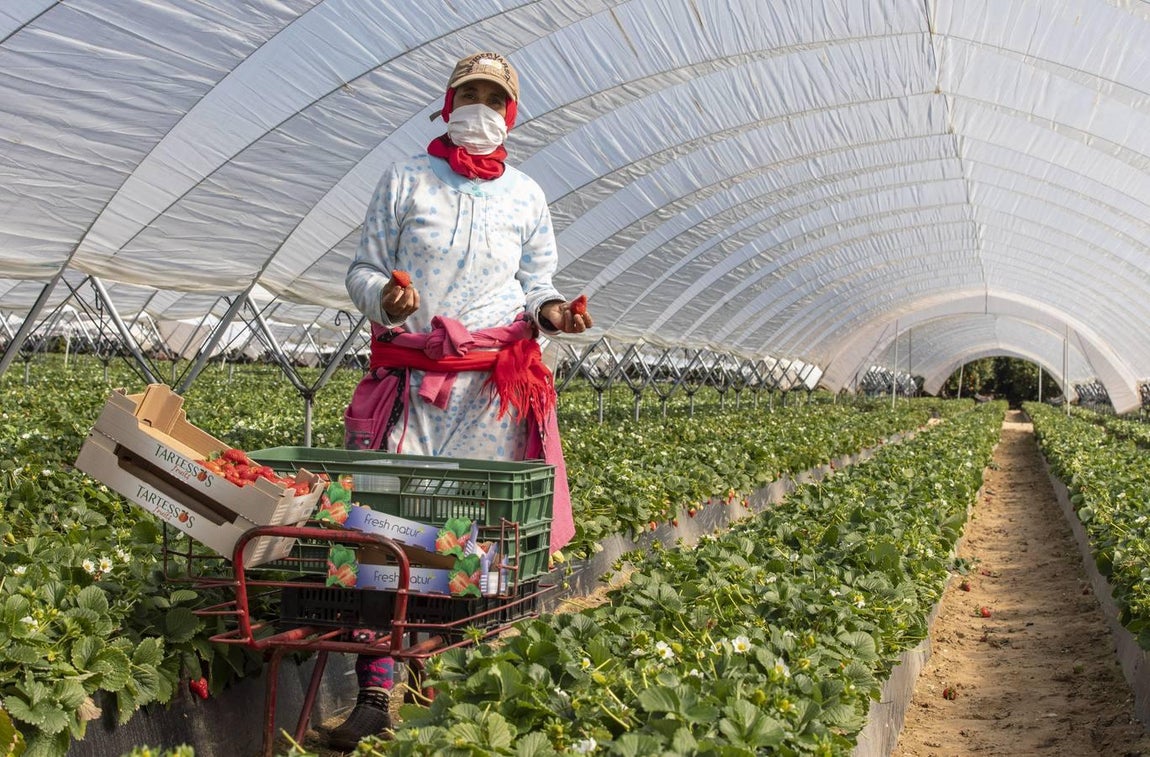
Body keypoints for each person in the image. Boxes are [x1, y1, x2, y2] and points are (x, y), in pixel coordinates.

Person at [326, 51, 591, 749]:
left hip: (490, 391)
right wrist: (386, 295)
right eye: (468, 92)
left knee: (475, 532)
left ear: (509, 113)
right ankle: (376, 688)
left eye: (492, 96)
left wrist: (555, 312)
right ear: (448, 104)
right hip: (412, 384)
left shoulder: (527, 196)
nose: (480, 105)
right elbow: (361, 267)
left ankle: (446, 677)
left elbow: (537, 284)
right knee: (381, 529)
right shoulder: (406, 179)